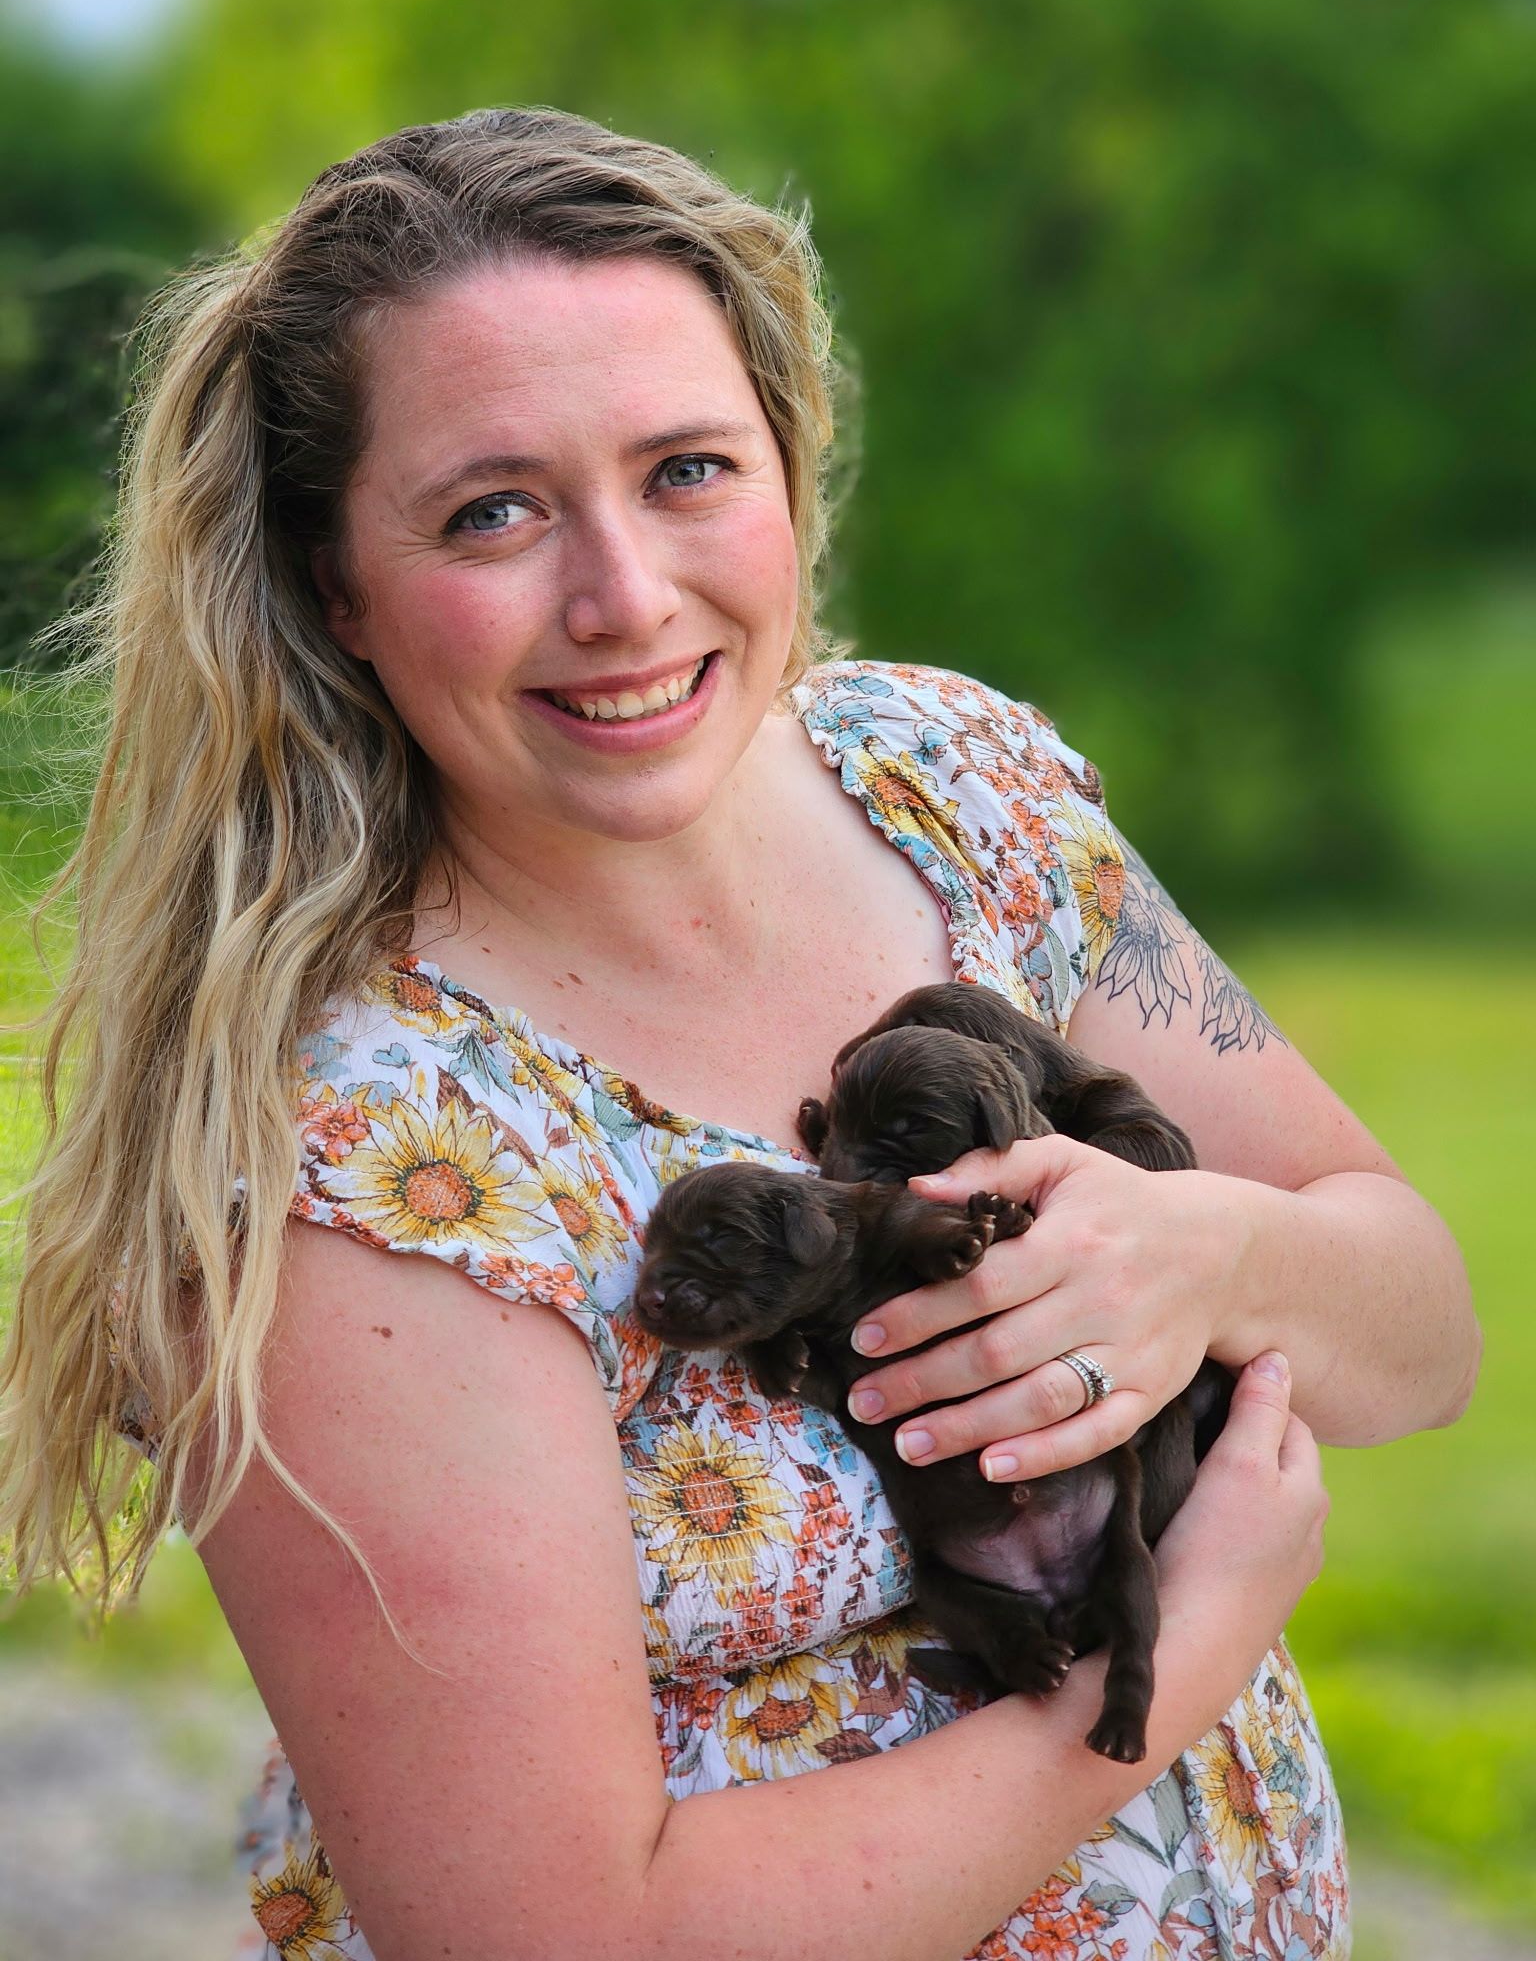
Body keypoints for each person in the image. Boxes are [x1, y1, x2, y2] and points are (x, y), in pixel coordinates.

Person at [0, 106, 1477, 1961]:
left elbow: (1419, 1331)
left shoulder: (958, 790)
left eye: (688, 469)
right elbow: (555, 1942)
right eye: (493, 511)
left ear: (789, 464)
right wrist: (1175, 1654)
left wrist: (1215, 1256)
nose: (624, 598)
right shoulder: (361, 1159)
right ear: (333, 588)